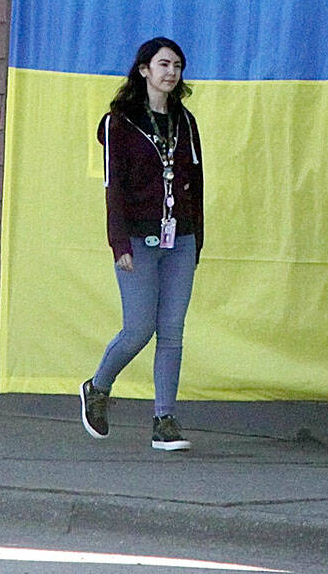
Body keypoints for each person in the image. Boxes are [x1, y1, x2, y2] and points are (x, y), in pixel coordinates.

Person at [79, 36, 203, 452]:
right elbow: (113, 189)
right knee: (139, 328)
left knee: (172, 330)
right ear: (144, 69)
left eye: (178, 66)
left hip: (180, 238)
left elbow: (196, 183)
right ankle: (98, 387)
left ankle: (164, 420)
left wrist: (197, 238)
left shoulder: (185, 122)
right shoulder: (119, 123)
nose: (172, 73)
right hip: (137, 238)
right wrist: (120, 245)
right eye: (164, 64)